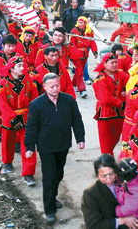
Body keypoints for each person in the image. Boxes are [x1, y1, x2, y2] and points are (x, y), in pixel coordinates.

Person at [25, 73, 85, 224]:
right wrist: (30, 146)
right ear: (44, 86)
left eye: (57, 85)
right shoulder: (36, 104)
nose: (55, 88)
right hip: (46, 146)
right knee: (49, 177)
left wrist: (80, 138)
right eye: (51, 86)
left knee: (58, 174)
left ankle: (52, 197)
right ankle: (49, 209)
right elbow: (31, 128)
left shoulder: (68, 100)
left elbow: (76, 119)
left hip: (63, 144)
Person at [0, 57, 39, 186]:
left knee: (28, 145)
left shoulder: (29, 81)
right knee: (7, 142)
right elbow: (2, 104)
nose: (22, 68)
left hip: (27, 117)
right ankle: (7, 163)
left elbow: (35, 99)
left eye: (23, 65)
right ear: (12, 68)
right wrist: (12, 118)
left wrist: (34, 116)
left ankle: (28, 173)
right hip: (9, 117)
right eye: (19, 66)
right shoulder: (2, 83)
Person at [81, 153, 138, 229]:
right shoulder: (90, 193)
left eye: (111, 174)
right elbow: (93, 225)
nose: (108, 178)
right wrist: (121, 221)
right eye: (104, 176)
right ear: (97, 175)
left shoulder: (126, 181)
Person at [92, 53, 129, 155]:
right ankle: (108, 165)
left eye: (116, 62)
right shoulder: (100, 78)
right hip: (105, 113)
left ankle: (108, 160)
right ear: (104, 64)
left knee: (115, 139)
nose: (114, 64)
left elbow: (131, 81)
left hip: (118, 113)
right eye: (111, 62)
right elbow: (105, 99)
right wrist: (121, 103)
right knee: (106, 144)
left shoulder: (120, 74)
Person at [70, 16, 98, 98]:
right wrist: (74, 55)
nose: (79, 24)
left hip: (85, 55)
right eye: (79, 22)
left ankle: (73, 84)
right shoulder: (74, 32)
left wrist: (95, 52)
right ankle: (82, 90)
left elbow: (92, 42)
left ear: (85, 23)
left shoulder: (89, 32)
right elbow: (72, 45)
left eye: (81, 22)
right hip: (77, 56)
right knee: (79, 72)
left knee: (79, 71)